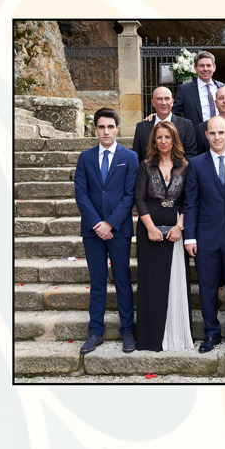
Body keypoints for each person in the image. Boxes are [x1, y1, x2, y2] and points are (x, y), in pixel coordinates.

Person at [183, 115, 225, 353]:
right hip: (206, 237)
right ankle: (211, 333)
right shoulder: (197, 164)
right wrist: (189, 236)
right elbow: (191, 203)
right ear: (206, 135)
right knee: (207, 287)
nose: (217, 137)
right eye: (212, 133)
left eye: (221, 132)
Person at [74, 108, 139, 354]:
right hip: (92, 232)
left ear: (117, 128)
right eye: (101, 127)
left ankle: (127, 332)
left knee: (122, 280)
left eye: (110, 126)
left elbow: (129, 194)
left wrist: (110, 223)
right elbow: (81, 194)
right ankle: (95, 332)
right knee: (98, 281)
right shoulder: (85, 157)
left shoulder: (129, 157)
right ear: (95, 129)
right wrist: (97, 224)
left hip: (119, 230)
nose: (106, 131)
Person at [131, 120, 192, 353]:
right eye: (159, 137)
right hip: (150, 230)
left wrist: (180, 226)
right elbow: (139, 199)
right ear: (154, 141)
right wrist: (150, 228)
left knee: (175, 281)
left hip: (176, 229)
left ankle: (176, 335)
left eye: (168, 137)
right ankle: (150, 338)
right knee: (151, 283)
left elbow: (189, 199)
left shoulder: (185, 166)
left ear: (174, 139)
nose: (164, 141)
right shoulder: (146, 165)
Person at [134, 86, 199, 162]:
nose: (163, 103)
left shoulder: (186, 125)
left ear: (172, 102)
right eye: (159, 99)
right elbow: (137, 156)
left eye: (167, 99)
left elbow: (191, 154)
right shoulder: (141, 127)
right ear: (153, 102)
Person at [173, 50, 220, 129]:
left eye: (208, 65)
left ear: (214, 67)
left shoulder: (221, 87)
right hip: (195, 137)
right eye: (201, 66)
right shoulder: (185, 90)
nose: (205, 69)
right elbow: (174, 114)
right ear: (195, 68)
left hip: (219, 135)